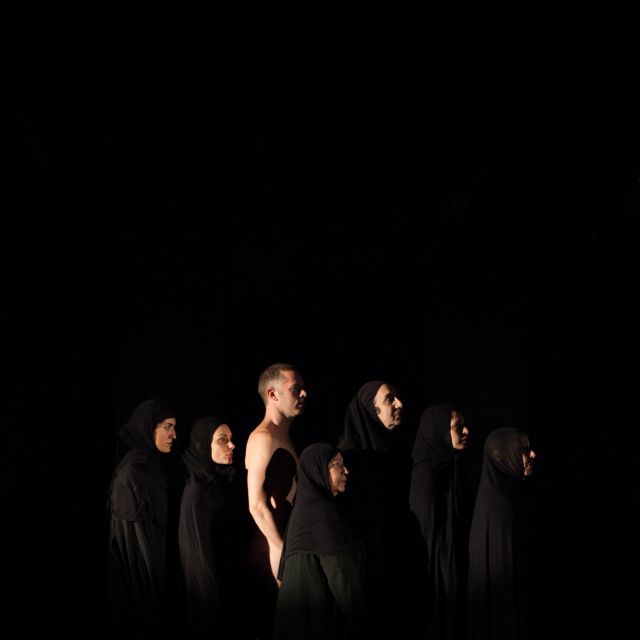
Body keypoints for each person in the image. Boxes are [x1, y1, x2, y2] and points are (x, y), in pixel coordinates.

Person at [336, 380, 425, 638]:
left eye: (397, 397)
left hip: (397, 565)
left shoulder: (399, 453)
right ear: (370, 410)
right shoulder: (347, 460)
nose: (399, 404)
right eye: (389, 400)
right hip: (365, 568)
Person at [273, 443, 368, 640]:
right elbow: (341, 577)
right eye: (337, 463)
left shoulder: (300, 514)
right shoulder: (321, 515)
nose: (346, 470)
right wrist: (362, 625)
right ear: (318, 470)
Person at [244, 362, 307, 638]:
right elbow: (256, 505)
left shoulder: (284, 437)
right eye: (295, 389)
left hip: (289, 548)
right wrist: (282, 552)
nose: (304, 394)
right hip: (273, 554)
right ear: (272, 394)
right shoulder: (262, 438)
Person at [107, 398, 177, 640]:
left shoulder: (152, 469)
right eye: (167, 427)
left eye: (174, 427)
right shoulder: (131, 475)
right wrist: (148, 599)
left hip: (155, 578)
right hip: (138, 591)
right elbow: (131, 544)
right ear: (148, 428)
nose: (174, 434)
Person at [178, 416, 250, 640]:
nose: (232, 445)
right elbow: (198, 559)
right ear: (202, 445)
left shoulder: (219, 482)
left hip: (229, 585)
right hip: (212, 597)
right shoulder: (197, 492)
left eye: (231, 439)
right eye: (222, 440)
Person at [409, 403, 472, 640]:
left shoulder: (454, 466)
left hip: (456, 561)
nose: (466, 431)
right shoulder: (425, 476)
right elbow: (426, 535)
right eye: (458, 427)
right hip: (436, 572)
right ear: (439, 431)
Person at [467, 427, 537, 640]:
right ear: (504, 456)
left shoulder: (510, 497)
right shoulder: (498, 506)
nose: (532, 454)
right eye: (524, 450)